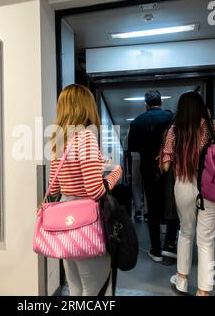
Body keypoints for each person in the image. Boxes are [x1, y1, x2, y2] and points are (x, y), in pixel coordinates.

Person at [48, 84, 122, 296]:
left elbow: (54, 187)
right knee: (96, 288)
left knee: (75, 285)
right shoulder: (86, 137)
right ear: (87, 106)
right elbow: (95, 190)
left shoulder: (60, 141)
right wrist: (116, 172)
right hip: (86, 221)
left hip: (65, 219)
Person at [161, 91, 215, 296]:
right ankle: (203, 292)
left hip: (184, 183)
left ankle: (181, 281)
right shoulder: (212, 126)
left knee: (186, 232)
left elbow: (166, 166)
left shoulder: (174, 130)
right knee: (206, 239)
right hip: (211, 184)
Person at [128, 90, 180, 263]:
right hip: (169, 168)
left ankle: (156, 249)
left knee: (152, 207)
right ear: (161, 102)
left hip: (148, 169)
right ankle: (169, 245)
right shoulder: (171, 117)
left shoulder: (136, 122)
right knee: (171, 204)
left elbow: (133, 147)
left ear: (145, 104)